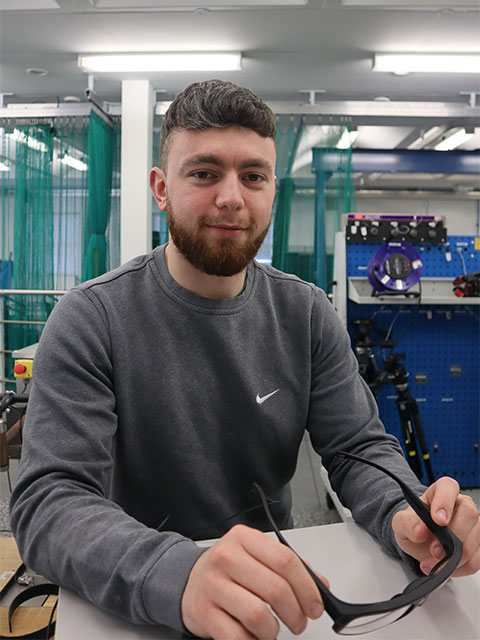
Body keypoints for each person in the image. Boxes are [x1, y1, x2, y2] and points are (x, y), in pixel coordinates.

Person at [10, 79, 479, 640]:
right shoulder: (91, 319)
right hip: (135, 601)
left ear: (271, 191)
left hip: (274, 601)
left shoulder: (305, 313)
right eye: (204, 173)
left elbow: (357, 449)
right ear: (161, 187)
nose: (232, 197)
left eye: (253, 176)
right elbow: (49, 502)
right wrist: (177, 573)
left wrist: (405, 516)